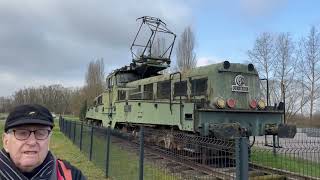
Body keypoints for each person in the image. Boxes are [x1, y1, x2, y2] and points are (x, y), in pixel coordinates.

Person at [0, 104, 86, 180]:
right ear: (6, 142)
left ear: (49, 140)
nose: (32, 142)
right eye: (22, 133)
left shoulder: (71, 176)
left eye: (40, 133)